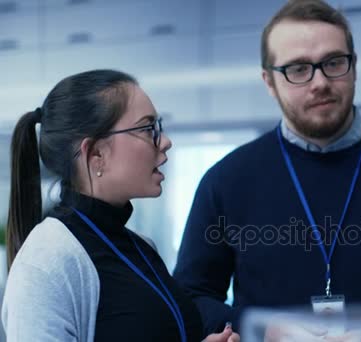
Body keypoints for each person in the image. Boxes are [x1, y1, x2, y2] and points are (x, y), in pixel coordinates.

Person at [173, 0, 361, 337]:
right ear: (269, 81)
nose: (320, 82)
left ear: (354, 67)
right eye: (298, 69)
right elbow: (191, 297)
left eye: (333, 63)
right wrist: (263, 330)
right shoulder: (226, 181)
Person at [2, 69, 239, 342]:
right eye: (148, 128)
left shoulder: (141, 247)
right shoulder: (48, 260)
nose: (165, 141)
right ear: (96, 153)